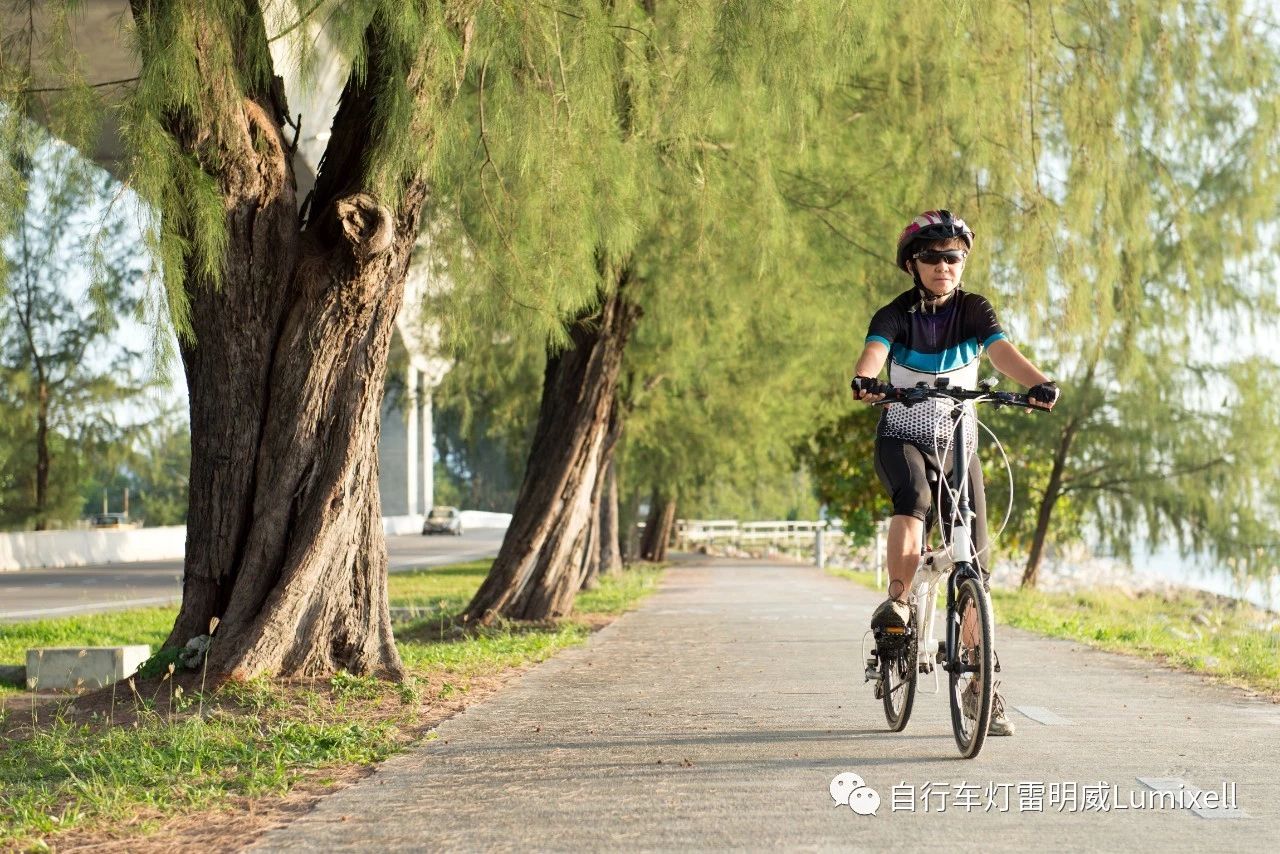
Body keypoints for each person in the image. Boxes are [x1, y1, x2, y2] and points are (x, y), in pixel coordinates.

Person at [850, 209, 1059, 736]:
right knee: (914, 498)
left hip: (959, 442)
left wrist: (1038, 382)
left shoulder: (974, 310)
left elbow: (1001, 352)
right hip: (903, 435)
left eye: (954, 257)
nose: (944, 266)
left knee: (975, 561)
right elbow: (875, 351)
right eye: (933, 258)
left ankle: (979, 687)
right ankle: (898, 608)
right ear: (912, 264)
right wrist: (866, 377)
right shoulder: (896, 313)